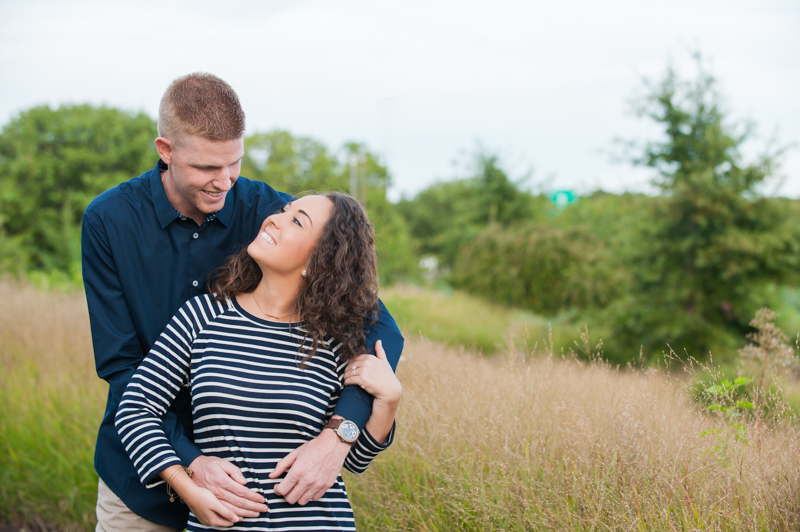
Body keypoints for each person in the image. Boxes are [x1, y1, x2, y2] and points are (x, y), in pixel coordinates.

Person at [82, 73, 403, 531]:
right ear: (165, 150)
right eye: (207, 168)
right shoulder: (109, 221)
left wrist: (338, 436)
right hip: (142, 482)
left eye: (233, 163)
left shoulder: (271, 213)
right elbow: (122, 367)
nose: (224, 181)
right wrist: (190, 463)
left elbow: (375, 326)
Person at [115, 193, 400, 530]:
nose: (275, 218)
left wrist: (389, 400)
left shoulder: (336, 341)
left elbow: (354, 461)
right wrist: (185, 482)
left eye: (297, 220)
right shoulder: (202, 316)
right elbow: (135, 410)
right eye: (283, 210)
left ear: (319, 259)